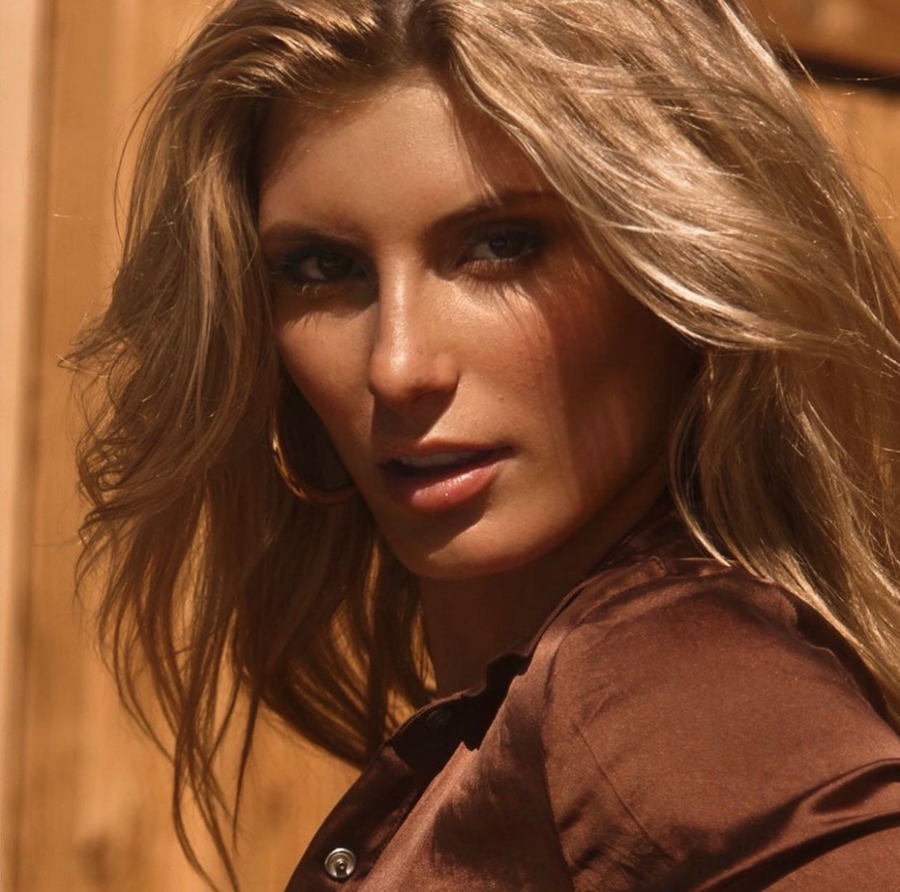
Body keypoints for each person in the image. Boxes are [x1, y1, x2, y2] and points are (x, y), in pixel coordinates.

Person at [71, 0, 900, 889]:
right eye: (324, 268)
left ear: (680, 267)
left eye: (501, 246)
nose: (396, 367)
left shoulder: (681, 699)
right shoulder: (553, 709)